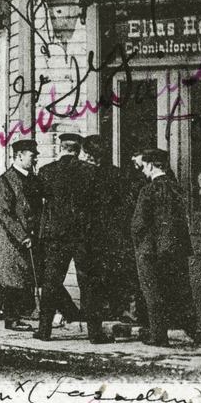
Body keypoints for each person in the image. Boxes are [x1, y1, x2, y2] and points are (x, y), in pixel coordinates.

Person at [34, 133, 104, 342]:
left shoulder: (46, 172)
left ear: (60, 147)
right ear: (80, 149)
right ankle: (95, 333)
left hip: (56, 236)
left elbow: (38, 204)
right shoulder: (91, 172)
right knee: (89, 284)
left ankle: (44, 330)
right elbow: (98, 206)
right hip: (84, 236)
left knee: (51, 282)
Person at [131, 148, 197, 347]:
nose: (143, 171)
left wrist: (138, 243)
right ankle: (190, 331)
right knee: (177, 290)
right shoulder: (176, 188)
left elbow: (138, 224)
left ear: (150, 165)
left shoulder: (148, 190)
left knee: (152, 292)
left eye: (144, 166)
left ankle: (159, 335)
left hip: (150, 251)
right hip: (175, 249)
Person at [81, 134, 140, 326]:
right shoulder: (117, 173)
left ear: (88, 153)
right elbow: (127, 204)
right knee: (114, 274)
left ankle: (99, 315)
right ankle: (117, 311)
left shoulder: (85, 174)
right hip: (113, 234)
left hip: (92, 234)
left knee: (95, 277)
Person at [0, 139, 40, 331]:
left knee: (26, 277)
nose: (35, 159)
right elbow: (4, 213)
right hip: (14, 239)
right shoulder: (5, 181)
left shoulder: (33, 179)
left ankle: (24, 314)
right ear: (20, 156)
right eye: (32, 155)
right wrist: (22, 236)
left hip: (33, 236)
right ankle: (11, 319)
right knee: (12, 279)